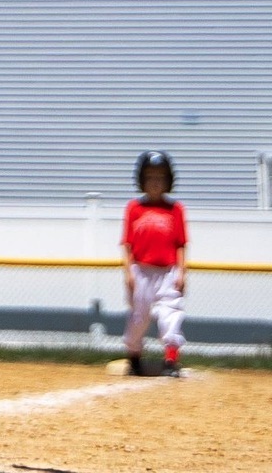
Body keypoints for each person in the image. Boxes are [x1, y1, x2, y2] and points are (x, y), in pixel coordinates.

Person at [122, 151, 187, 377]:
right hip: (140, 270)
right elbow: (127, 245)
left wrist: (182, 272)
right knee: (139, 316)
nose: (155, 182)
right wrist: (128, 272)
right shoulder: (134, 209)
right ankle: (134, 357)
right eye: (149, 177)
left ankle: (170, 359)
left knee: (171, 312)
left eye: (160, 177)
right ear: (141, 180)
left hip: (168, 271)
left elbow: (180, 244)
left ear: (168, 180)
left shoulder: (175, 209)